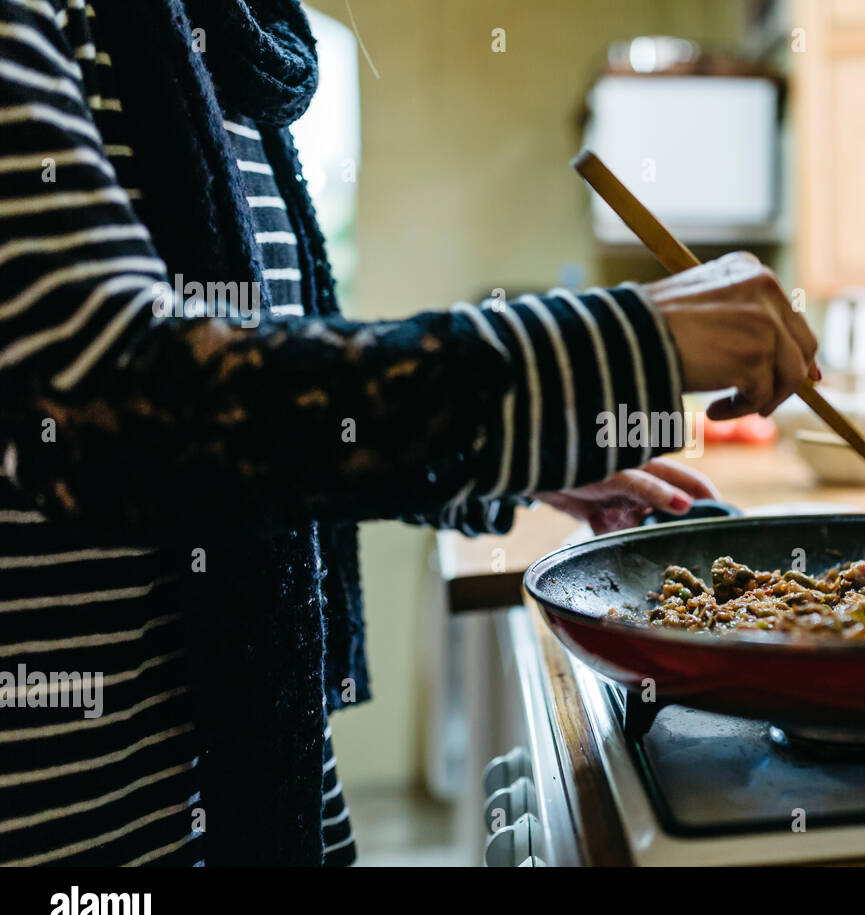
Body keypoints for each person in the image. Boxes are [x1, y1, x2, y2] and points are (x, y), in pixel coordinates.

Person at [0, 0, 817, 865]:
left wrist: (502, 446)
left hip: (247, 802)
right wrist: (613, 343)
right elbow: (101, 403)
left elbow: (255, 411)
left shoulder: (227, 36)